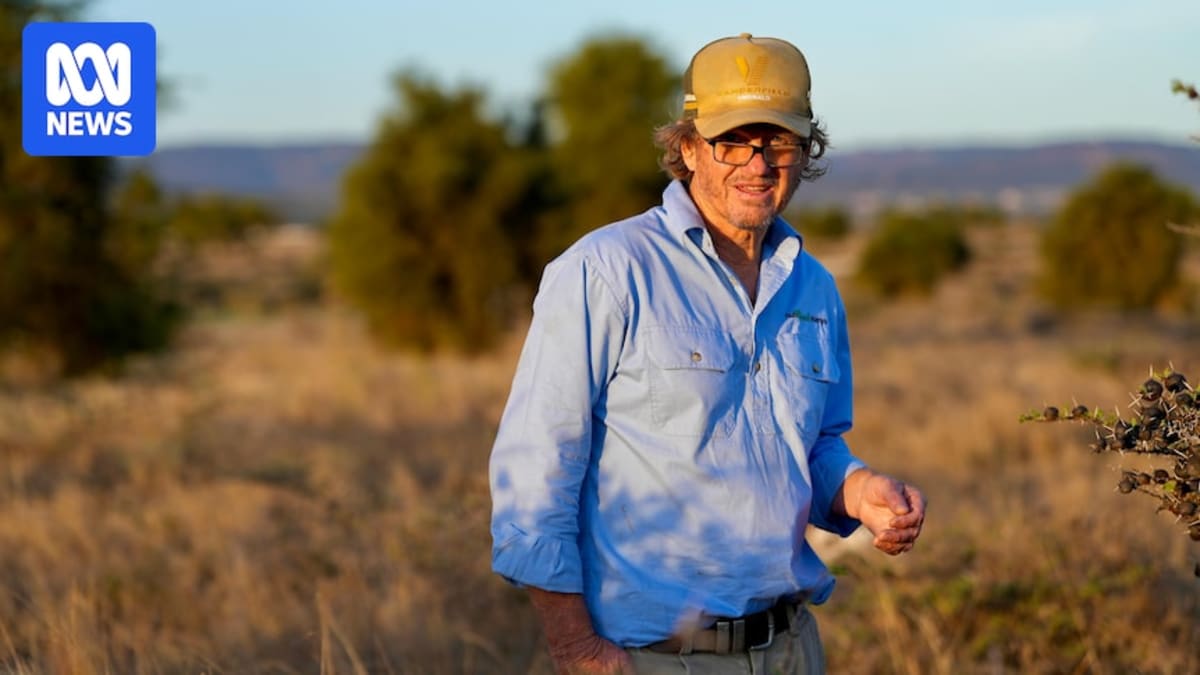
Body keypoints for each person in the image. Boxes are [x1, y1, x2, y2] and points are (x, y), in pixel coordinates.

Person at [489, 33, 926, 675]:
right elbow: (536, 469)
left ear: (807, 153)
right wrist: (576, 649)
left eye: (779, 141)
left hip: (792, 649)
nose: (758, 163)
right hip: (654, 658)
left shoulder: (815, 289)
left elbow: (815, 446)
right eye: (733, 140)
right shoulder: (606, 271)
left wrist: (860, 491)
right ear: (688, 148)